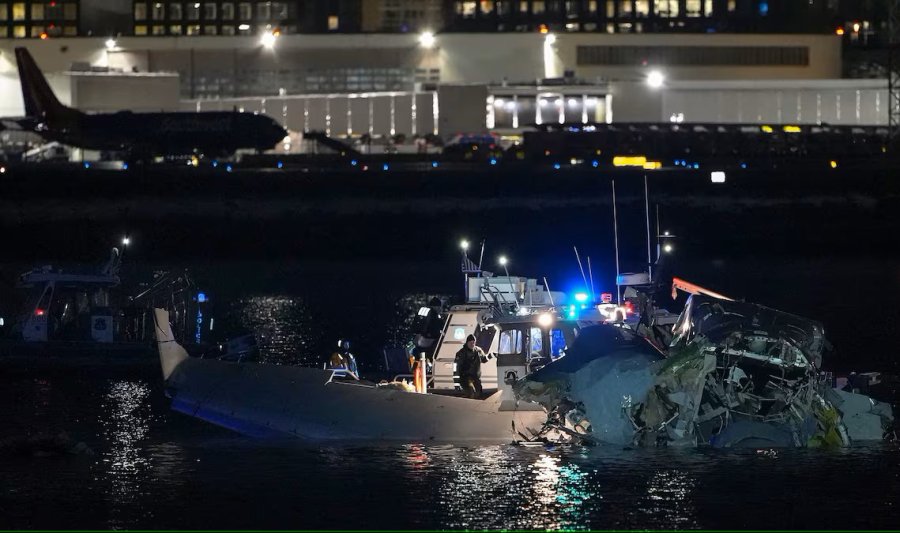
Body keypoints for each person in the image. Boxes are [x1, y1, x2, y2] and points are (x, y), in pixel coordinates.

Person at [454, 334, 488, 399]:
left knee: (479, 394)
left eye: (473, 342)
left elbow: (484, 359)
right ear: (467, 343)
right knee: (471, 392)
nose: (472, 344)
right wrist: (456, 383)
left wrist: (491, 355)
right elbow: (456, 368)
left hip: (476, 378)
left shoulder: (478, 351)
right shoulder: (461, 353)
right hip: (465, 378)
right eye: (470, 342)